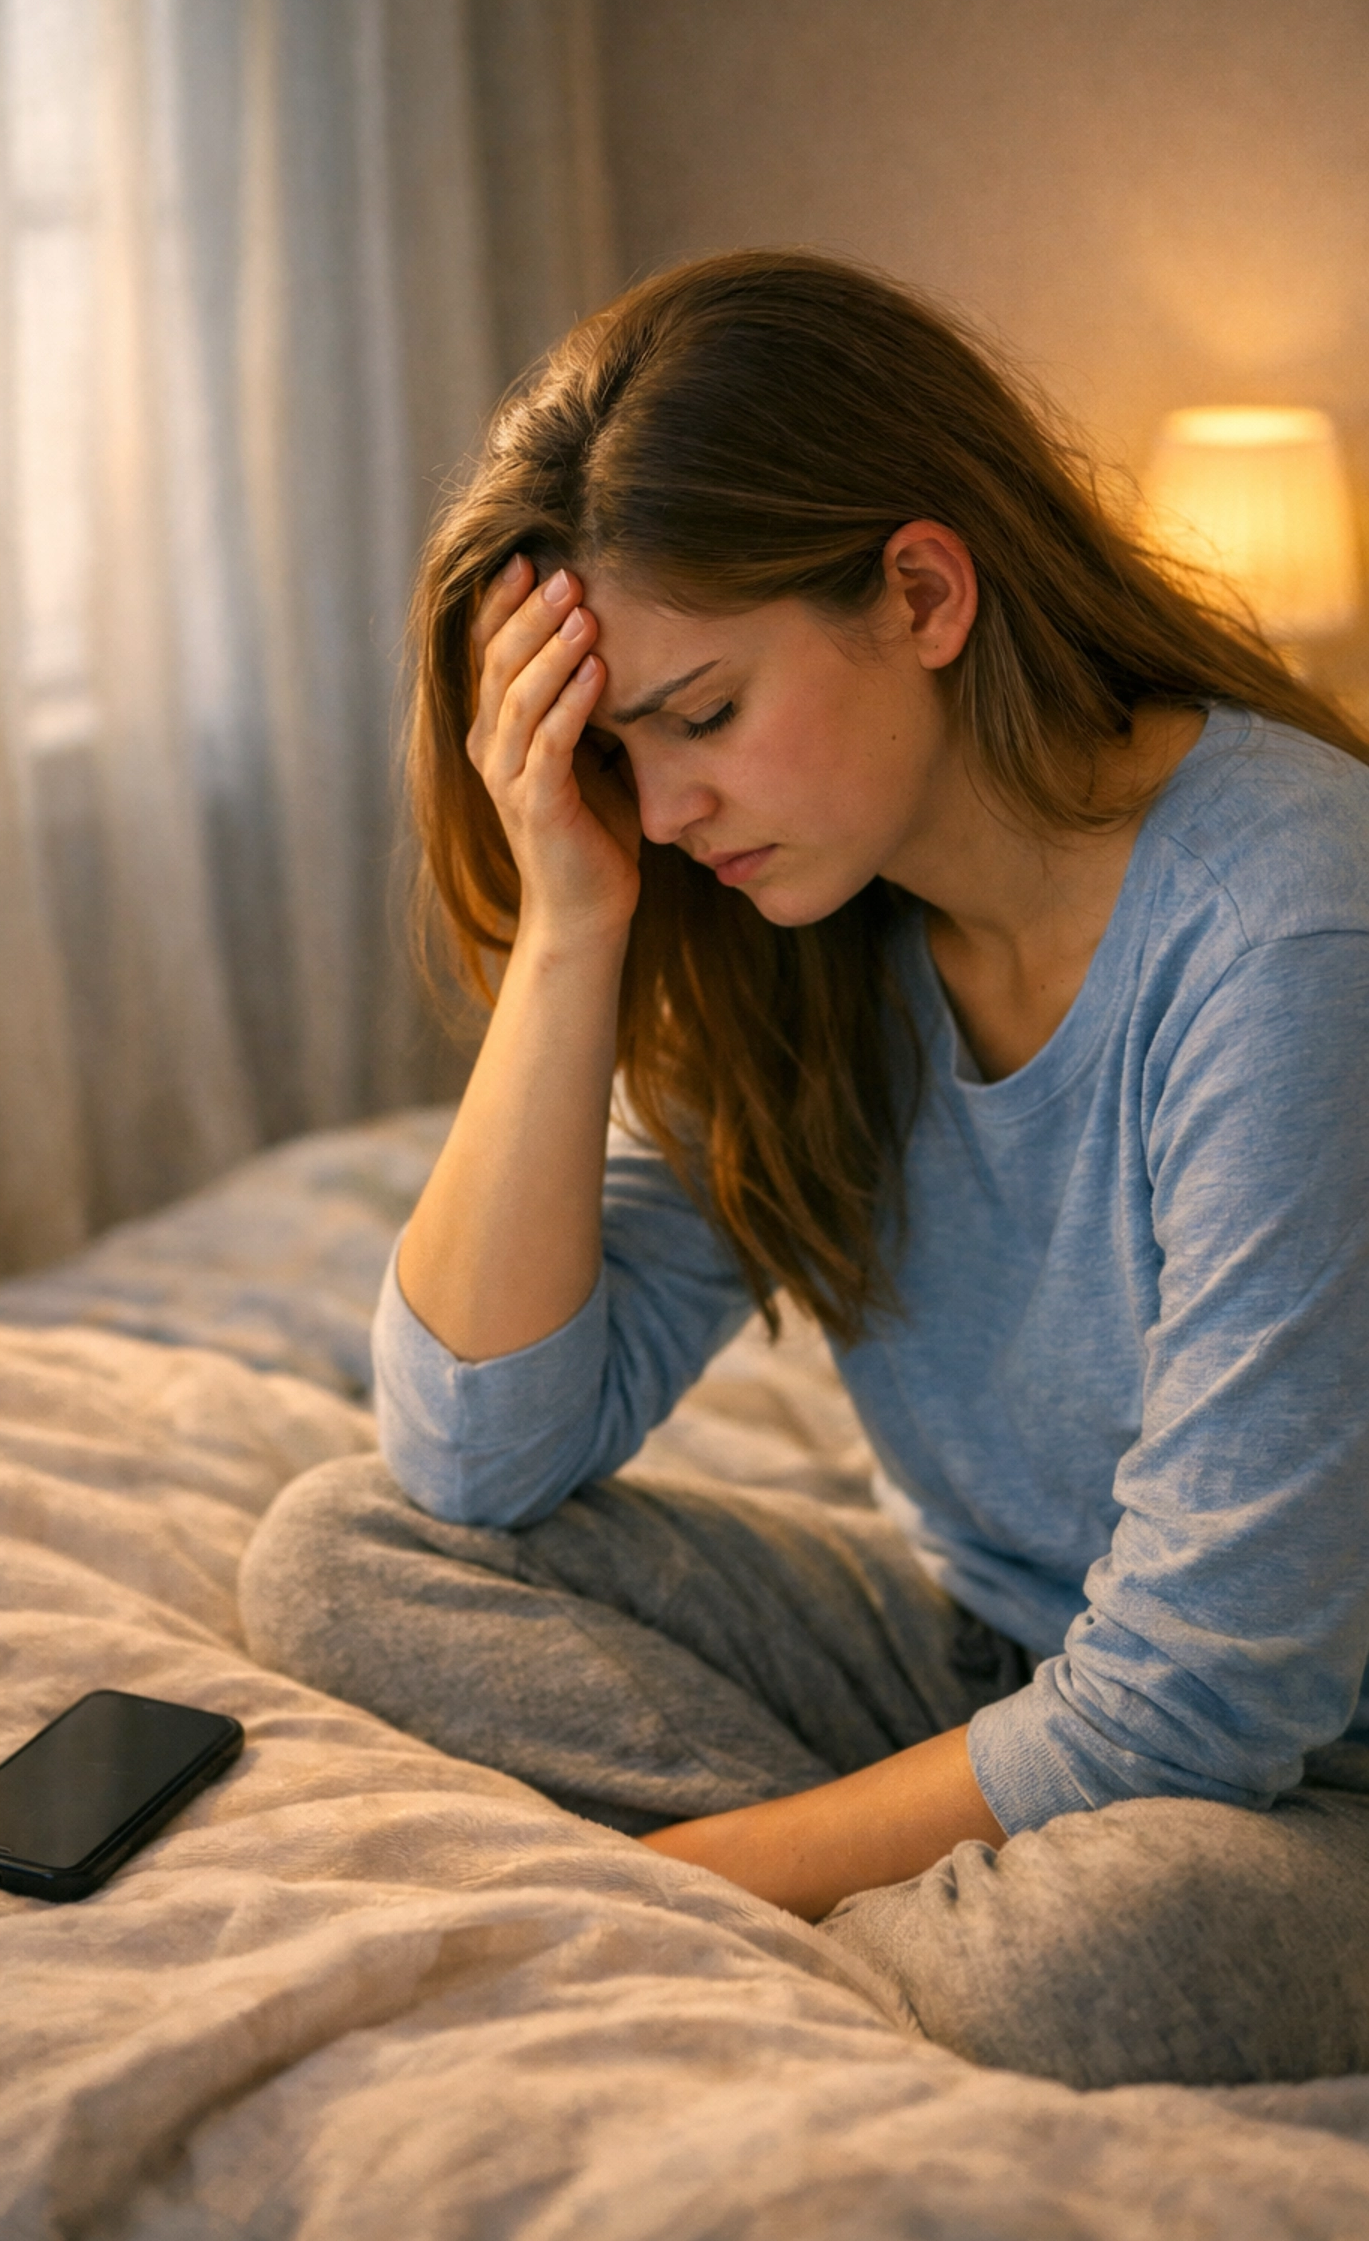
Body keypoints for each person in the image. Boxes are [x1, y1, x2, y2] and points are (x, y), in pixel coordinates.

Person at [240, 251, 1369, 2090]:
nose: (667, 807)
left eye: (701, 713)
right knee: (340, 1550)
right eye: (613, 747)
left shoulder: (1289, 933)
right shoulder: (802, 925)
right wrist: (570, 927)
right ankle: (905, 1888)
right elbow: (476, 1456)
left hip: (1309, 1768)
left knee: (1090, 1965)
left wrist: (675, 1884)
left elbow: (1208, 1692)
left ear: (922, 593)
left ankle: (876, 1898)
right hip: (1001, 1660)